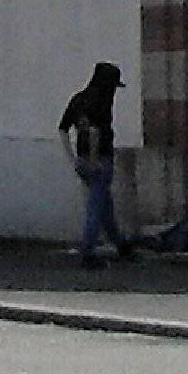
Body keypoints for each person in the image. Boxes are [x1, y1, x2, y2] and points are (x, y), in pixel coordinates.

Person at [60, 61, 130, 266]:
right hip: (99, 160)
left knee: (104, 204)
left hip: (81, 159)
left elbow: (63, 129)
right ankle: (88, 252)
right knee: (96, 205)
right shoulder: (102, 101)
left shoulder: (78, 99)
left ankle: (121, 244)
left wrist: (73, 159)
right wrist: (94, 161)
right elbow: (95, 132)